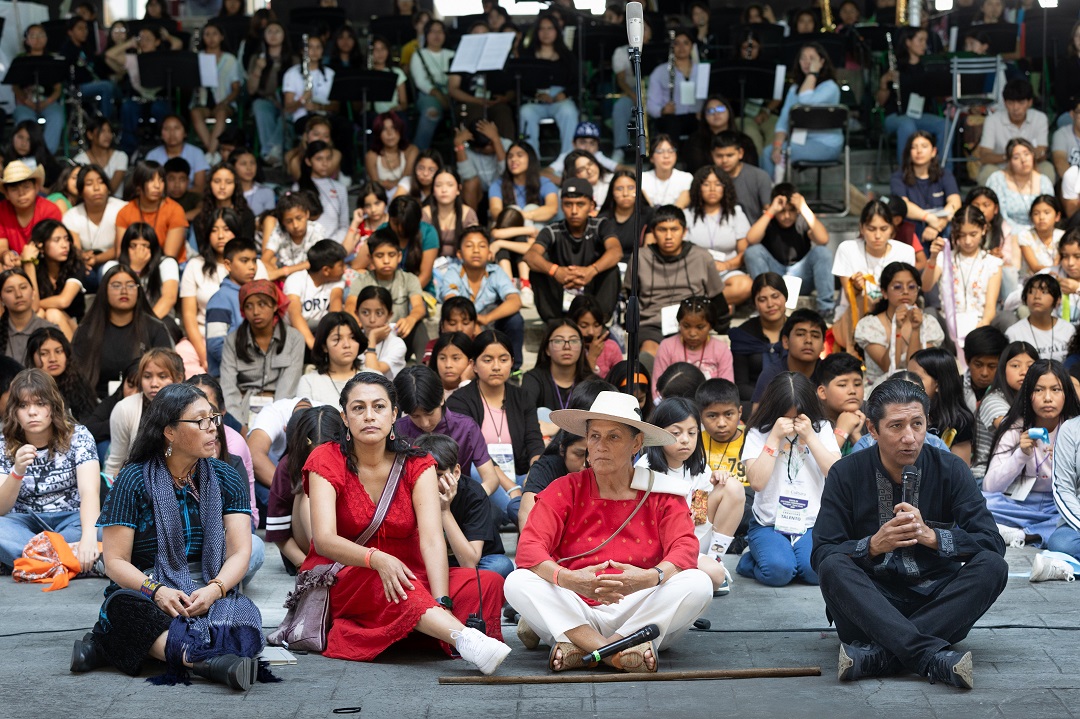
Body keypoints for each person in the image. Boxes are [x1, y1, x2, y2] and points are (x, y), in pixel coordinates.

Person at [302, 372, 511, 671]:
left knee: (486, 581)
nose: (369, 416)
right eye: (358, 408)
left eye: (379, 407)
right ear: (345, 418)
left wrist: (442, 600)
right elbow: (324, 539)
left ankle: (429, 623)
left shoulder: (418, 463)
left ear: (394, 414)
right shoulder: (325, 458)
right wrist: (376, 559)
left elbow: (431, 539)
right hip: (349, 574)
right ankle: (464, 639)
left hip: (409, 573)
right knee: (386, 579)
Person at [812, 378, 1008, 689]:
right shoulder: (846, 473)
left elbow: (992, 542)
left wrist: (933, 537)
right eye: (896, 426)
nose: (910, 438)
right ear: (873, 430)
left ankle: (879, 656)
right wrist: (873, 545)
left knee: (993, 567)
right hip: (870, 605)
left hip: (938, 603)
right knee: (833, 567)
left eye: (917, 424)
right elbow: (823, 551)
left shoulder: (951, 469)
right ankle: (927, 655)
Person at [504, 390, 712, 672]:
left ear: (636, 442)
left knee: (698, 584)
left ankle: (580, 646)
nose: (601, 446)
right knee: (516, 581)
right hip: (577, 604)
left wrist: (649, 578)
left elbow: (685, 548)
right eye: (594, 436)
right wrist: (570, 580)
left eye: (613, 436)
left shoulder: (663, 492)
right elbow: (529, 548)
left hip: (640, 606)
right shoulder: (566, 488)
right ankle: (616, 653)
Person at [74, 384, 265, 689]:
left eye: (213, 419)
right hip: (148, 588)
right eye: (200, 421)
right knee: (130, 613)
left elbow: (241, 552)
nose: (212, 428)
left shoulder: (226, 475)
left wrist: (215, 590)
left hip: (208, 585)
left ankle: (109, 645)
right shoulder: (134, 480)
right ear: (170, 432)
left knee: (244, 623)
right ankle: (210, 664)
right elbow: (115, 562)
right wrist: (159, 592)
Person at [737, 372, 841, 587]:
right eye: (787, 416)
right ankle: (751, 558)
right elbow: (756, 482)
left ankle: (777, 554)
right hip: (769, 523)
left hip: (811, 523)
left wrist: (810, 437)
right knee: (779, 573)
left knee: (814, 573)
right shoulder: (759, 431)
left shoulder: (822, 428)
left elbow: (835, 473)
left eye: (798, 416)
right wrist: (774, 438)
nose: (793, 423)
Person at [637, 397, 743, 594]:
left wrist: (716, 479)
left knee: (732, 487)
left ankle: (715, 559)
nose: (685, 439)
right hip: (661, 543)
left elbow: (700, 514)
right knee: (715, 577)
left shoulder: (698, 466)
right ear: (658, 434)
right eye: (676, 433)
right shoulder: (645, 468)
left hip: (691, 535)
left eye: (692, 433)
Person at [0, 369, 100, 572]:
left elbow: (89, 491)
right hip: (22, 522)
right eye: (23, 405)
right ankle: (72, 560)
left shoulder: (78, 436)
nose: (32, 412)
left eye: (40, 403)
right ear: (14, 411)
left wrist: (89, 537)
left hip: (71, 519)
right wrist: (17, 471)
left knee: (106, 532)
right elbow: (1, 508)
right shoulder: (4, 442)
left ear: (54, 406)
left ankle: (31, 562)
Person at [447, 330, 543, 519]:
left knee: (548, 470)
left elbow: (534, 441)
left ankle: (521, 513)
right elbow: (474, 454)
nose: (497, 366)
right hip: (485, 479)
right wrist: (511, 488)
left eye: (503, 359)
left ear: (512, 362)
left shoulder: (522, 396)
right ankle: (523, 514)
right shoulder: (459, 401)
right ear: (473, 365)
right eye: (488, 360)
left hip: (521, 476)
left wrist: (535, 473)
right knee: (477, 470)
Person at [983, 359, 1078, 547]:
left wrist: (1060, 462)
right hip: (1020, 503)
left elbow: (1072, 495)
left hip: (1057, 507)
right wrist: (1021, 454)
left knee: (1067, 519)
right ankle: (1032, 533)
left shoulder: (1074, 429)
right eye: (1038, 390)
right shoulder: (1015, 428)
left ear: (1066, 393)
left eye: (1056, 389)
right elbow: (990, 486)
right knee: (981, 503)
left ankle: (1023, 535)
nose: (1048, 398)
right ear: (1027, 394)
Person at [413, 433, 514, 578]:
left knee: (501, 565)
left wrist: (444, 510)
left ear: (456, 472)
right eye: (424, 474)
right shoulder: (410, 489)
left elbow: (469, 563)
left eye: (439, 475)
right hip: (429, 562)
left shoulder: (474, 494)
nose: (431, 483)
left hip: (472, 562)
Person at [524, 179, 623, 323]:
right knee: (537, 270)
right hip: (561, 289)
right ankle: (554, 322)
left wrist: (591, 271)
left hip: (592, 289)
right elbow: (530, 256)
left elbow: (616, 251)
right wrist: (555, 271)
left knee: (611, 270)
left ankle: (599, 322)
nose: (574, 211)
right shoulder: (552, 230)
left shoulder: (601, 225)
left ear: (591, 205)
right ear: (561, 206)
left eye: (580, 204)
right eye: (568, 204)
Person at [72, 264, 174, 400]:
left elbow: (167, 375)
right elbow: (75, 375)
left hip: (144, 403)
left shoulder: (155, 328)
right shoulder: (87, 330)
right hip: (95, 404)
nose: (124, 290)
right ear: (104, 290)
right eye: (116, 285)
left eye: (131, 285)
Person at [266, 405, 344, 574]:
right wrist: (304, 565)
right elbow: (279, 533)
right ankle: (324, 566)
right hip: (305, 552)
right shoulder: (288, 465)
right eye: (315, 455)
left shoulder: (352, 459)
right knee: (311, 492)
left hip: (346, 548)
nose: (321, 461)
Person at [832, 202, 917, 355]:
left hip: (891, 315)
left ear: (892, 229)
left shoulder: (905, 252)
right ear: (861, 228)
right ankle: (853, 357)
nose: (877, 235)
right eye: (871, 229)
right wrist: (857, 288)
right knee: (858, 301)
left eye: (883, 229)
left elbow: (908, 294)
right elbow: (849, 295)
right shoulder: (847, 249)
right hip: (852, 319)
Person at [434, 227, 524, 369]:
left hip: (488, 322)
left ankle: (514, 369)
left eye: (482, 246)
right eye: (469, 246)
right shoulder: (453, 272)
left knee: (515, 320)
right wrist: (472, 322)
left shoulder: (496, 272)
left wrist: (486, 319)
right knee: (451, 315)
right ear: (459, 253)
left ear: (489, 253)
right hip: (462, 324)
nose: (476, 250)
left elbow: (515, 301)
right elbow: (450, 299)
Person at [220, 280, 304, 428]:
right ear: (243, 310)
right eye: (248, 306)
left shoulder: (294, 338)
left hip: (280, 413)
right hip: (242, 411)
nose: (256, 312)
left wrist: (273, 423)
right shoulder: (232, 341)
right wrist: (239, 427)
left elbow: (288, 387)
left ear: (275, 305)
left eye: (262, 304)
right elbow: (228, 389)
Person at [744, 183, 834, 316]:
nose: (787, 216)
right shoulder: (768, 220)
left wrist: (804, 208)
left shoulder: (802, 219)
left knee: (822, 252)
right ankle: (763, 305)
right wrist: (771, 211)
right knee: (752, 251)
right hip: (774, 278)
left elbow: (823, 239)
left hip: (801, 276)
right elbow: (751, 239)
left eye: (791, 210)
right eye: (782, 211)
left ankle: (826, 308)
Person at [922, 207, 1002, 351]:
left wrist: (982, 325)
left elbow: (990, 308)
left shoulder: (992, 263)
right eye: (962, 235)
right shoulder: (944, 258)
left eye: (973, 234)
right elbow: (926, 286)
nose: (967, 241)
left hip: (979, 327)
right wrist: (933, 258)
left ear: (984, 230)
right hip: (948, 326)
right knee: (929, 313)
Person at [762, 43, 843, 180]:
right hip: (800, 142)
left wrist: (812, 73)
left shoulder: (830, 87)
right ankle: (769, 196)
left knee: (782, 153)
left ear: (821, 62)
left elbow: (806, 102)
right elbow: (783, 121)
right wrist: (777, 145)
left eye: (812, 58)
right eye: (803, 58)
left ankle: (778, 191)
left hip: (826, 145)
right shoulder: (795, 89)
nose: (807, 62)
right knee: (768, 152)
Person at [104, 348, 185, 479]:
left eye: (162, 376)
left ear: (179, 379)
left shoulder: (190, 409)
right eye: (147, 376)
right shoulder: (125, 409)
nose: (153, 384)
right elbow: (115, 463)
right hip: (138, 483)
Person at [878, 28, 950, 166]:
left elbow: (938, 97)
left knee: (945, 125)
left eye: (926, 40)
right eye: (920, 40)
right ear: (908, 42)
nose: (925, 45)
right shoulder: (895, 65)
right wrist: (884, 82)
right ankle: (906, 175)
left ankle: (943, 173)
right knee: (907, 125)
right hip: (896, 116)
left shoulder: (928, 66)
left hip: (920, 115)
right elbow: (881, 102)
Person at [517, 13, 579, 156]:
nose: (546, 32)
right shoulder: (528, 55)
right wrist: (537, 94)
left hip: (561, 99)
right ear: (536, 32)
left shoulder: (567, 56)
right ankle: (532, 160)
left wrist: (564, 94)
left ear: (557, 31)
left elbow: (576, 82)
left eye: (550, 28)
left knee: (569, 111)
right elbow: (522, 83)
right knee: (525, 112)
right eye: (542, 28)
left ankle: (567, 158)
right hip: (537, 99)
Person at [974, 342, 1039, 480]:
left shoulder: (1034, 399)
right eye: (1015, 365)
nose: (1023, 372)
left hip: (1021, 475)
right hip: (985, 475)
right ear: (1003, 369)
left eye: (1030, 366)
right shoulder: (992, 400)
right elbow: (1012, 430)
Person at [974, 78, 1053, 185]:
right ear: (1005, 103)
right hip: (1002, 167)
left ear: (1030, 102)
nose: (1015, 108)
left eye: (1021, 102)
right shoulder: (992, 120)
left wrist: (1022, 160)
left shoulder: (1040, 118)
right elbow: (984, 156)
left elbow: (1042, 152)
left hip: (1030, 167)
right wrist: (1012, 157)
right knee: (987, 172)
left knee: (1047, 168)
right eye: (1011, 103)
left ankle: (1042, 202)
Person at [890, 131, 962, 247]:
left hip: (940, 226)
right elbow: (903, 205)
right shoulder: (898, 177)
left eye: (924, 146)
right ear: (909, 152)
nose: (919, 151)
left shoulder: (944, 174)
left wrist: (938, 224)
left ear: (933, 152)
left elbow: (955, 202)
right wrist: (928, 218)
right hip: (914, 226)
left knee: (952, 227)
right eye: (914, 147)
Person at [909, 347, 977, 463]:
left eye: (916, 378)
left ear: (938, 384)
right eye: (908, 375)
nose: (908, 382)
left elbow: (960, 471)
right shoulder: (904, 412)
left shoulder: (959, 422)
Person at [652, 296, 733, 394]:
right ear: (679, 323)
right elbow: (657, 389)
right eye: (686, 326)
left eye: (700, 327)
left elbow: (727, 389)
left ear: (711, 326)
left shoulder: (721, 349)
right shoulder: (667, 346)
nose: (692, 333)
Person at [63, 165, 126, 288]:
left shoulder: (122, 209)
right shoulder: (72, 215)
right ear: (80, 191)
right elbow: (75, 248)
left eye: (101, 182)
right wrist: (83, 256)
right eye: (89, 184)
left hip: (116, 261)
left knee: (109, 269)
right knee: (81, 272)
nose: (96, 188)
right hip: (86, 264)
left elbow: (121, 247)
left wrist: (97, 259)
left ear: (108, 188)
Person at [188, 21, 242, 162]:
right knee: (195, 113)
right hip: (203, 102)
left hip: (224, 102)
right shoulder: (196, 57)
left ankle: (209, 154)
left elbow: (236, 88)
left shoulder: (230, 60)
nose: (211, 38)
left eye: (214, 34)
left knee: (221, 113)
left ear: (221, 37)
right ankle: (212, 153)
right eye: (207, 34)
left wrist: (225, 101)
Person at [205, 238, 260, 375]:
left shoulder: (257, 296)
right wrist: (250, 368)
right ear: (228, 265)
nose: (252, 266)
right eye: (244, 260)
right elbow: (216, 345)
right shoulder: (220, 300)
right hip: (226, 378)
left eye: (254, 260)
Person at [115, 161, 189, 261]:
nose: (157, 186)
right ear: (138, 185)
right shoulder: (125, 211)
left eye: (161, 180)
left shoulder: (175, 210)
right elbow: (121, 253)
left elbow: (170, 254)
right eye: (151, 180)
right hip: (133, 262)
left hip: (166, 264)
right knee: (109, 266)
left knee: (169, 263)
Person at [751, 309, 827, 406]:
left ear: (823, 345)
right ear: (786, 342)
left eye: (815, 336)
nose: (808, 340)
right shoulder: (771, 375)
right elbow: (757, 417)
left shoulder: (829, 375)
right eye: (800, 334)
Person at [730, 273, 787, 403]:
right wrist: (771, 399)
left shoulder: (797, 330)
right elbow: (740, 385)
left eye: (775, 296)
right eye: (762, 299)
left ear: (785, 297)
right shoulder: (743, 335)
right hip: (754, 400)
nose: (770, 304)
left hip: (794, 398)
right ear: (755, 303)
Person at [284, 240, 346, 351]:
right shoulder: (296, 279)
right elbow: (294, 313)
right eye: (341, 265)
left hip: (320, 330)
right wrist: (313, 345)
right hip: (295, 331)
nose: (344, 269)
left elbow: (336, 302)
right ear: (326, 270)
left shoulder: (337, 280)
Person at [24, 327, 97, 423]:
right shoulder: (24, 388)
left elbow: (91, 421)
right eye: (44, 353)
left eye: (58, 351)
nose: (53, 359)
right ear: (32, 358)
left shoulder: (78, 383)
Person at [985, 139, 1056, 234]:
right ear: (1009, 161)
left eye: (1026, 154)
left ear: (1033, 156)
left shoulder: (1044, 181)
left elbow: (1050, 213)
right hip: (1006, 234)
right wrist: (1021, 234)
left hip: (1039, 234)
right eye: (1016, 157)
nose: (1023, 160)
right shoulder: (997, 179)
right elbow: (999, 215)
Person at [295, 313, 367, 407]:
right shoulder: (309, 382)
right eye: (337, 339)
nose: (347, 345)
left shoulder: (375, 377)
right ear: (324, 346)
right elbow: (304, 420)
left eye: (352, 337)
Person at [246, 20, 292, 166]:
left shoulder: (293, 59)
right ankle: (273, 152)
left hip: (287, 102)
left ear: (284, 35)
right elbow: (251, 90)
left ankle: (269, 151)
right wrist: (258, 69)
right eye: (269, 32)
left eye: (277, 31)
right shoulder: (256, 58)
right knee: (259, 106)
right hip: (266, 100)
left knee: (288, 113)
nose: (273, 35)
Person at [646, 30, 703, 140]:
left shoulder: (701, 71)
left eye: (686, 43)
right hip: (671, 118)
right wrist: (662, 111)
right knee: (671, 123)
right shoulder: (660, 71)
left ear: (692, 46)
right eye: (677, 43)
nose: (681, 47)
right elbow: (651, 104)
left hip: (697, 116)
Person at [1006, 275, 1075, 363]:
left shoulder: (1068, 330)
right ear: (1025, 298)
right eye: (1031, 292)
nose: (1037, 296)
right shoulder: (1013, 333)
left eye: (1044, 292)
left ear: (1058, 299)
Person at [487, 141, 559, 225]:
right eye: (510, 156)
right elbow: (495, 212)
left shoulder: (544, 183)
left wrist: (521, 215)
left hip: (536, 230)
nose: (513, 159)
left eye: (519, 155)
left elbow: (552, 209)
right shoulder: (498, 185)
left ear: (530, 159)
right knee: (512, 209)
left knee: (531, 208)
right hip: (509, 229)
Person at [408, 19, 454, 151]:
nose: (437, 35)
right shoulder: (418, 55)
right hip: (428, 94)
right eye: (433, 31)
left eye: (440, 31)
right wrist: (438, 95)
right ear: (426, 35)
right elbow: (421, 82)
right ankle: (418, 153)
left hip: (452, 93)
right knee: (431, 112)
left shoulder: (452, 54)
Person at [0, 161, 62, 257]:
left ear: (36, 188)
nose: (21, 193)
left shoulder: (50, 210)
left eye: (26, 187)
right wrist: (5, 255)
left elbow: (52, 247)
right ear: (6, 194)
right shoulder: (1, 210)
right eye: (14, 189)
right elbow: (1, 245)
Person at [815, 353, 868, 456]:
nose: (852, 391)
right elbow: (818, 470)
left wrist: (856, 435)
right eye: (842, 385)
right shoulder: (810, 418)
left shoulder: (871, 414)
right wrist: (842, 431)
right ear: (822, 392)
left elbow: (875, 469)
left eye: (857, 384)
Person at [353, 285, 408, 379]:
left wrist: (372, 338)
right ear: (357, 313)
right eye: (365, 312)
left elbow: (372, 375)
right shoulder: (352, 340)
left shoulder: (397, 344)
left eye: (379, 313)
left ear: (389, 315)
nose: (372, 319)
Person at [365, 113, 419, 201]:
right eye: (384, 129)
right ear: (379, 133)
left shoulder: (411, 151)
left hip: (405, 200)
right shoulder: (371, 156)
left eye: (393, 128)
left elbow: (406, 181)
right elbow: (376, 186)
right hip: (380, 201)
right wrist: (396, 183)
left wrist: (390, 184)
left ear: (400, 130)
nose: (389, 133)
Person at [568, 295, 622, 380]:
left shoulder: (611, 348)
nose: (591, 332)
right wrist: (592, 358)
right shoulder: (567, 348)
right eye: (584, 326)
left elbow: (620, 379)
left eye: (596, 325)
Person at [73, 118, 128, 197]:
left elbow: (112, 189)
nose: (107, 135)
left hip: (116, 204)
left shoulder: (120, 156)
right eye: (102, 131)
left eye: (109, 131)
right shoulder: (79, 160)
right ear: (90, 135)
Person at [1017, 195, 1065, 280]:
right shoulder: (1025, 236)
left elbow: (1059, 263)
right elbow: (1034, 267)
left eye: (1047, 212)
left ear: (1057, 216)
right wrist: (1052, 271)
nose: (1041, 217)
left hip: (1057, 280)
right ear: (1031, 217)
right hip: (1031, 281)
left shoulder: (1062, 236)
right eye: (1036, 213)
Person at [639, 135, 692, 209]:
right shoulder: (642, 179)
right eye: (660, 151)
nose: (666, 156)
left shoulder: (686, 178)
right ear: (651, 157)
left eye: (671, 151)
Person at [429, 332, 474, 399]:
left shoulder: (481, 390)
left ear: (470, 362)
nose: (448, 365)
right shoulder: (426, 390)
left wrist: (465, 381)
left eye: (455, 358)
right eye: (442, 358)